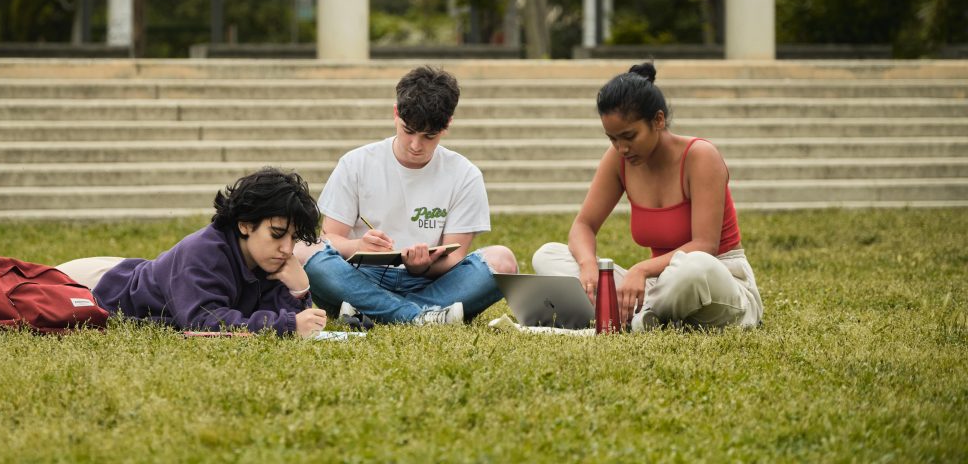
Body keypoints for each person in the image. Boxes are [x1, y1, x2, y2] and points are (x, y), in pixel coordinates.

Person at [0, 168, 330, 338]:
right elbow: (203, 323)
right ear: (244, 224)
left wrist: (296, 292)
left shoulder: (266, 257)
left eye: (291, 238)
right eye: (277, 234)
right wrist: (286, 323)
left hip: (118, 272)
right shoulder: (206, 252)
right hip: (93, 284)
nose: (285, 247)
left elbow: (258, 309)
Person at [531, 62, 763, 331]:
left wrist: (640, 270)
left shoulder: (700, 156)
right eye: (612, 139)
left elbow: (705, 246)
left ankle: (628, 319)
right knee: (547, 255)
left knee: (693, 267)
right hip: (659, 286)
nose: (622, 148)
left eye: (629, 136)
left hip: (718, 284)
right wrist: (588, 267)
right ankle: (639, 317)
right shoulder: (619, 159)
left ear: (658, 120)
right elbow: (584, 225)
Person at [294, 65, 518, 325]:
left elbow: (455, 256)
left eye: (429, 136)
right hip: (360, 277)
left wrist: (421, 267)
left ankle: (373, 313)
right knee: (302, 249)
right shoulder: (356, 163)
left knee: (502, 261)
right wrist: (358, 246)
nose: (415, 145)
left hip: (430, 281)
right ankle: (420, 317)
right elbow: (329, 238)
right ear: (395, 113)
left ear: (447, 125)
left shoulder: (464, 174)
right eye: (408, 130)